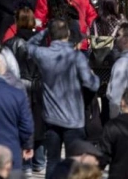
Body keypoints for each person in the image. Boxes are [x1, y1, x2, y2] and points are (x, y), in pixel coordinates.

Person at [27, 19, 100, 178]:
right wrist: (96, 79)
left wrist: (45, 31)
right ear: (68, 34)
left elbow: (29, 45)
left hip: (51, 118)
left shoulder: (43, 54)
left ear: (50, 35)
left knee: (52, 160)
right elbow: (91, 84)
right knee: (74, 162)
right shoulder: (76, 57)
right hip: (74, 118)